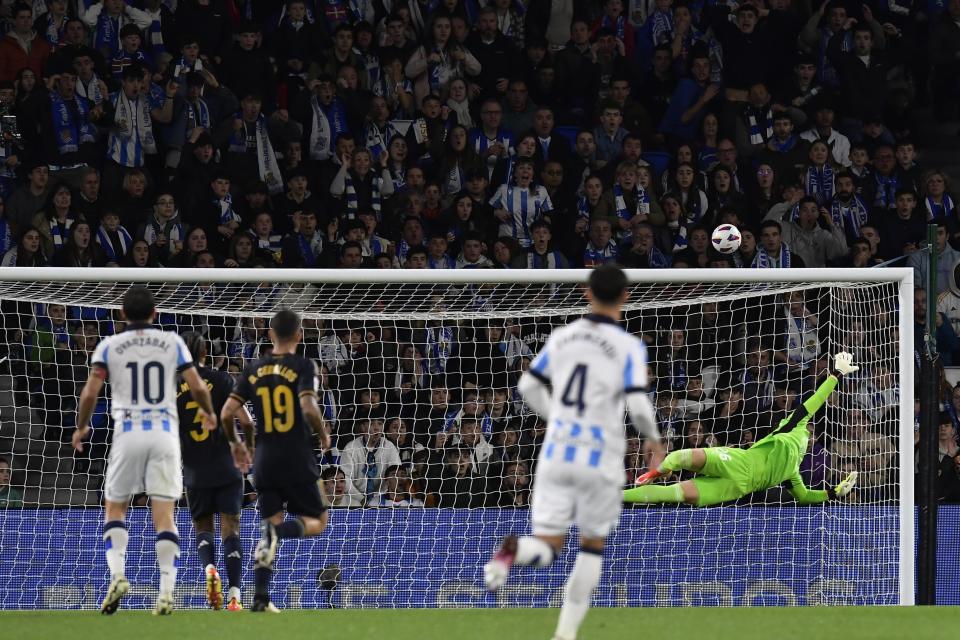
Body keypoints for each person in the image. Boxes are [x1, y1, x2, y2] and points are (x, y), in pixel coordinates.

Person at [483, 264, 664, 640]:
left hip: (556, 455)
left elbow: (528, 387)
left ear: (586, 292)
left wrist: (560, 416)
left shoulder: (563, 337)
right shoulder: (629, 346)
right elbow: (639, 404)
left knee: (548, 549)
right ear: (626, 296)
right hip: (600, 460)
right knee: (591, 548)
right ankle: (564, 635)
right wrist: (653, 439)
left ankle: (514, 551)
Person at [71, 286, 216, 615]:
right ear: (155, 314)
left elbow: (91, 392)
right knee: (164, 515)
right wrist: (207, 412)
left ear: (122, 314)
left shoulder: (109, 345)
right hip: (164, 434)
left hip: (129, 432)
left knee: (115, 509)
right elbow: (195, 385)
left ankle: (118, 575)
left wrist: (81, 426)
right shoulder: (172, 342)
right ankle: (166, 591)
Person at [625, 352, 861, 507]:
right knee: (680, 457)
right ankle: (656, 472)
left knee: (674, 494)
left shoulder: (792, 472)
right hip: (737, 461)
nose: (809, 433)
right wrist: (835, 375)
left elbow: (804, 496)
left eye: (811, 430)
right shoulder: (791, 426)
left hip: (735, 487)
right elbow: (816, 400)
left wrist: (832, 493)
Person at [219, 310, 332, 613]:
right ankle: (275, 537)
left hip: (264, 460)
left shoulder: (253, 369)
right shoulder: (303, 365)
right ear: (299, 335)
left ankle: (260, 597)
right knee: (318, 522)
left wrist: (237, 444)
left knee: (271, 522)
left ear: (270, 335)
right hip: (295, 455)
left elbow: (228, 413)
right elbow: (308, 406)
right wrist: (323, 433)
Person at [176, 332, 254, 612]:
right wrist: (249, 449)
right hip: (227, 467)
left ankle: (210, 568)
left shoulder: (173, 385)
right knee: (231, 528)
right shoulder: (223, 380)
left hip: (195, 470)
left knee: (203, 527)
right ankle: (234, 596)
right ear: (205, 353)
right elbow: (246, 422)